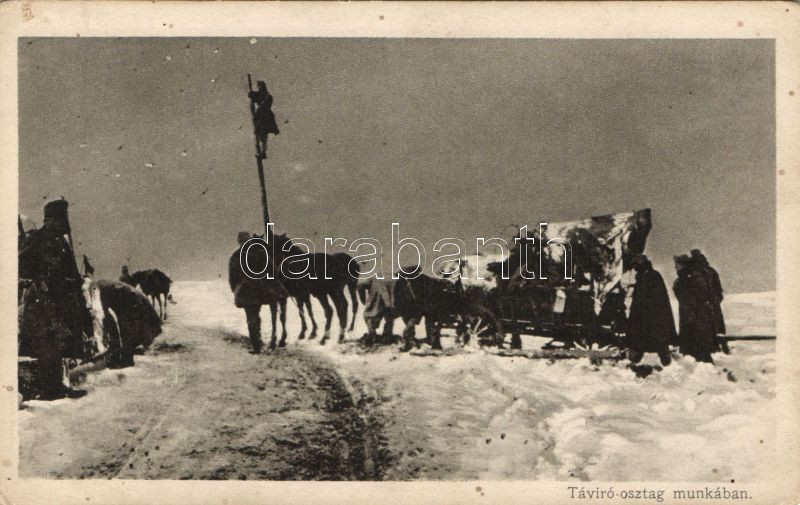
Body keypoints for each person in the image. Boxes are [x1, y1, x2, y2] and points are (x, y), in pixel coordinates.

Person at [18, 200, 88, 400]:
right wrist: (43, 276)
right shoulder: (38, 239)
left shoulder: (61, 241)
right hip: (43, 301)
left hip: (61, 301)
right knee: (47, 346)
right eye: (61, 219)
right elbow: (22, 264)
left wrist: (74, 280)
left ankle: (58, 386)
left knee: (59, 345)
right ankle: (50, 391)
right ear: (51, 220)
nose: (64, 225)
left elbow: (70, 269)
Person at [626, 254, 676, 366]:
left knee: (649, 336)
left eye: (635, 264)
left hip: (651, 314)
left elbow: (648, 298)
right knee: (651, 336)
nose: (634, 267)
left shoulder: (648, 276)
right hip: (651, 314)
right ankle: (642, 358)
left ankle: (664, 361)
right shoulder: (649, 275)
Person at [228, 231, 268, 353]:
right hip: (258, 289)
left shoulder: (236, 256)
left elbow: (232, 277)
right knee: (255, 315)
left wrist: (235, 289)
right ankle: (257, 341)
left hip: (246, 290)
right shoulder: (258, 253)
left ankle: (257, 344)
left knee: (251, 316)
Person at [673, 254, 717, 363]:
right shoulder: (683, 279)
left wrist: (692, 314)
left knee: (699, 348)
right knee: (693, 349)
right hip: (689, 317)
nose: (675, 267)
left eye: (677, 265)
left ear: (683, 265)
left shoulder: (693, 278)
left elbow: (700, 297)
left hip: (695, 318)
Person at [691, 249, 729, 353]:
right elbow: (719, 290)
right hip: (713, 303)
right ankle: (723, 348)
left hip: (706, 304)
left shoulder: (697, 272)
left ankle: (716, 348)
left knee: (709, 327)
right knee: (717, 327)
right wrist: (716, 300)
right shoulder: (710, 270)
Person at [248, 81, 280, 159]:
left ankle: (262, 152)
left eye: (260, 86)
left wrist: (252, 94)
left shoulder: (267, 96)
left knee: (262, 135)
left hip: (264, 118)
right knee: (261, 135)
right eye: (259, 86)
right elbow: (252, 95)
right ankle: (262, 152)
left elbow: (253, 96)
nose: (260, 88)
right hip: (264, 118)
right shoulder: (265, 95)